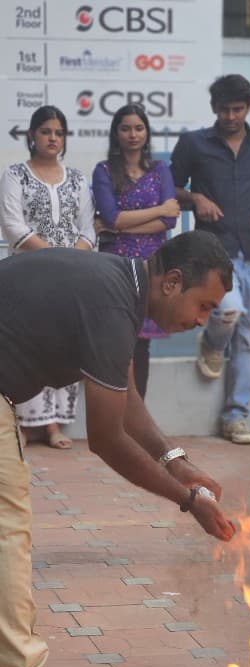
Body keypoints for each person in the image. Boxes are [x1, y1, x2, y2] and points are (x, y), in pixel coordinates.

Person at [0, 231, 235, 667]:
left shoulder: (117, 286)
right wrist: (187, 501)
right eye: (204, 305)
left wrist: (177, 460)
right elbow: (106, 439)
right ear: (172, 282)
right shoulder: (111, 304)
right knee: (7, 526)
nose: (200, 321)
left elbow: (124, 400)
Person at [170, 74, 250, 444]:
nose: (231, 116)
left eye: (237, 109)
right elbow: (170, 186)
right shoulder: (194, 144)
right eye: (224, 109)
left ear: (248, 108)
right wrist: (196, 199)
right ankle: (213, 345)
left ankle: (236, 415)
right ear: (213, 108)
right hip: (214, 251)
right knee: (228, 311)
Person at [0, 105, 95, 449]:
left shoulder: (77, 179)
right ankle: (23, 425)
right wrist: (53, 258)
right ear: (31, 136)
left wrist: (70, 261)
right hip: (28, 274)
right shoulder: (15, 175)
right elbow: (12, 226)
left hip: (70, 277)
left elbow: (87, 230)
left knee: (63, 344)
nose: (52, 138)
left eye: (58, 132)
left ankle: (54, 426)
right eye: (45, 131)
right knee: (28, 345)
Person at [92, 103, 180, 399]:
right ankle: (115, 410)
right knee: (118, 339)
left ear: (147, 132)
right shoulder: (104, 171)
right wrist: (156, 211)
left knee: (142, 344)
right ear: (116, 133)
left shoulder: (160, 170)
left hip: (151, 265)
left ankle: (137, 410)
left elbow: (169, 220)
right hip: (116, 265)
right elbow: (112, 216)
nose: (133, 134)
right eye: (126, 128)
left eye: (139, 128)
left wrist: (118, 224)